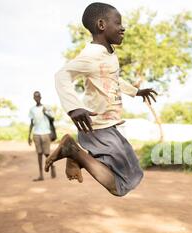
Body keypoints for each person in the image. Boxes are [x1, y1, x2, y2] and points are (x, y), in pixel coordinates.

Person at [45, 2, 157, 197]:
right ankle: (73, 152)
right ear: (101, 25)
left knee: (133, 173)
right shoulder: (91, 55)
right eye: (118, 23)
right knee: (120, 185)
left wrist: (135, 92)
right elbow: (61, 75)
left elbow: (113, 78)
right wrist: (74, 108)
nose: (123, 27)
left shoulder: (108, 54)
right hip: (97, 127)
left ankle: (75, 154)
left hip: (108, 126)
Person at [28, 91, 56, 181]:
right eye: (35, 97)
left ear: (40, 97)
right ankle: (41, 175)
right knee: (39, 154)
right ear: (33, 98)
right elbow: (31, 123)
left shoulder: (46, 107)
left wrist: (45, 113)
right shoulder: (32, 109)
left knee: (47, 154)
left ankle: (51, 166)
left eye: (38, 96)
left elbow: (53, 119)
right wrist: (29, 136)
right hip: (36, 133)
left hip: (45, 133)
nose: (37, 98)